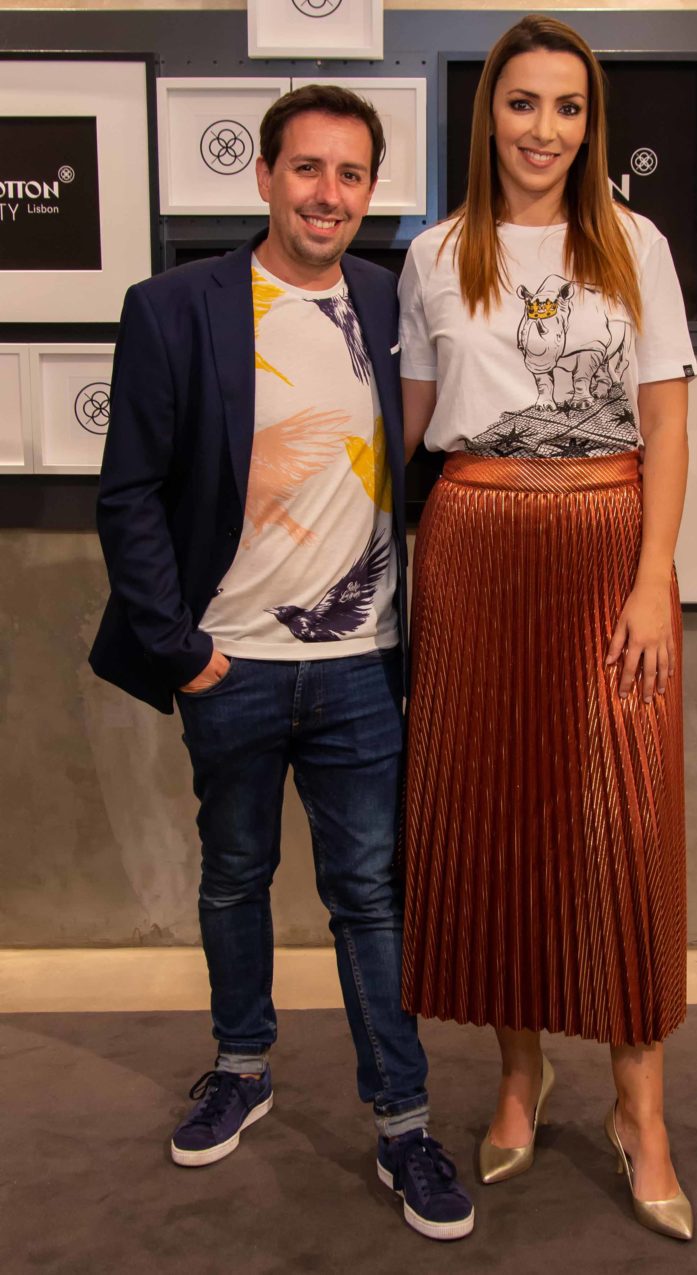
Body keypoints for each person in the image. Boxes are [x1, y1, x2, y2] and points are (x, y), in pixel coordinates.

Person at [90, 83, 473, 1243]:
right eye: (307, 168)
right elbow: (129, 495)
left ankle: (403, 1122)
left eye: (350, 175)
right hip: (233, 665)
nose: (327, 194)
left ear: (370, 192)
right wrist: (182, 651)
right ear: (263, 177)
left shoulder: (389, 300)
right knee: (233, 876)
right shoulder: (174, 306)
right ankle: (242, 1066)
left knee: (368, 896)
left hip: (363, 668)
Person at [399, 16, 695, 1241]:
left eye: (567, 107)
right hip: (472, 549)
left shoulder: (634, 243)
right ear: (489, 115)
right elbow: (411, 432)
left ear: (591, 123)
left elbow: (665, 425)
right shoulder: (435, 253)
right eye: (522, 103)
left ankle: (641, 1111)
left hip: (605, 550)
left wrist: (649, 580)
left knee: (623, 828)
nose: (544, 128)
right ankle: (519, 1077)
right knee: (499, 821)